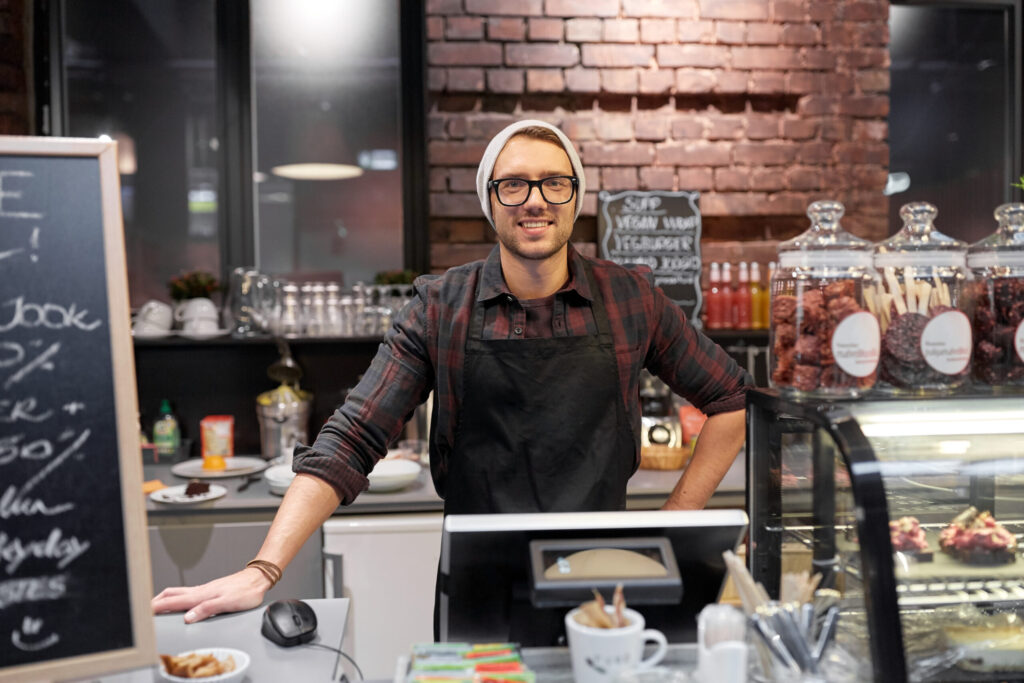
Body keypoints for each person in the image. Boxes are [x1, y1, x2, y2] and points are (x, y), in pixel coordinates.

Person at [151, 119, 752, 624]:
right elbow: (353, 437)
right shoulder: (442, 307)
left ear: (577, 197)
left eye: (553, 183)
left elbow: (730, 398)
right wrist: (264, 568)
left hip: (601, 579)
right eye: (513, 184)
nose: (535, 199)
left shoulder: (632, 299)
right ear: (489, 201)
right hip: (476, 584)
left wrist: (675, 523)